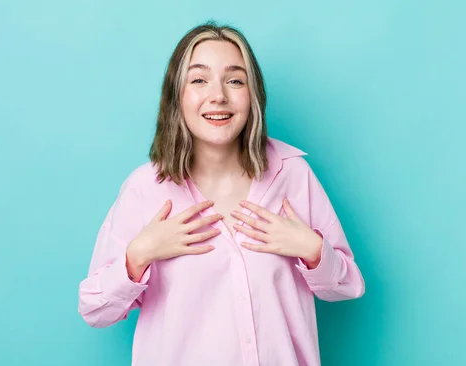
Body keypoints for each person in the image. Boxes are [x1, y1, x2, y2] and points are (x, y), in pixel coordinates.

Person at [78, 21, 365, 366]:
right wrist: (138, 256)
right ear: (177, 94)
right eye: (199, 80)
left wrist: (312, 249)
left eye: (235, 80)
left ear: (252, 94)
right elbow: (94, 310)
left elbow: (348, 285)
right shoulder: (145, 190)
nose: (218, 96)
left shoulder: (293, 175)